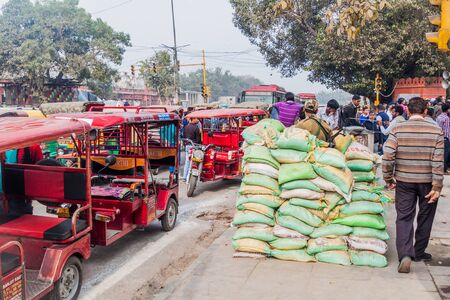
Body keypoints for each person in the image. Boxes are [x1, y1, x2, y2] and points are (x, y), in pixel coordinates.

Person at [383, 97, 444, 274]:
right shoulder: (436, 130)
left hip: (404, 181)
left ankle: (405, 255)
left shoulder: (398, 129)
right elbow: (438, 161)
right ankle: (418, 252)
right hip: (427, 183)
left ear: (408, 111)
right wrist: (437, 186)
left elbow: (387, 156)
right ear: (426, 111)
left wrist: (388, 178)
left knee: (404, 217)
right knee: (425, 216)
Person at [436, 103, 450, 173]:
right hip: (445, 138)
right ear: (448, 110)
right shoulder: (446, 118)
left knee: (440, 153)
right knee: (446, 154)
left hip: (439, 137)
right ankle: (444, 168)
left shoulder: (438, 117)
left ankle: (440, 168)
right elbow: (447, 130)